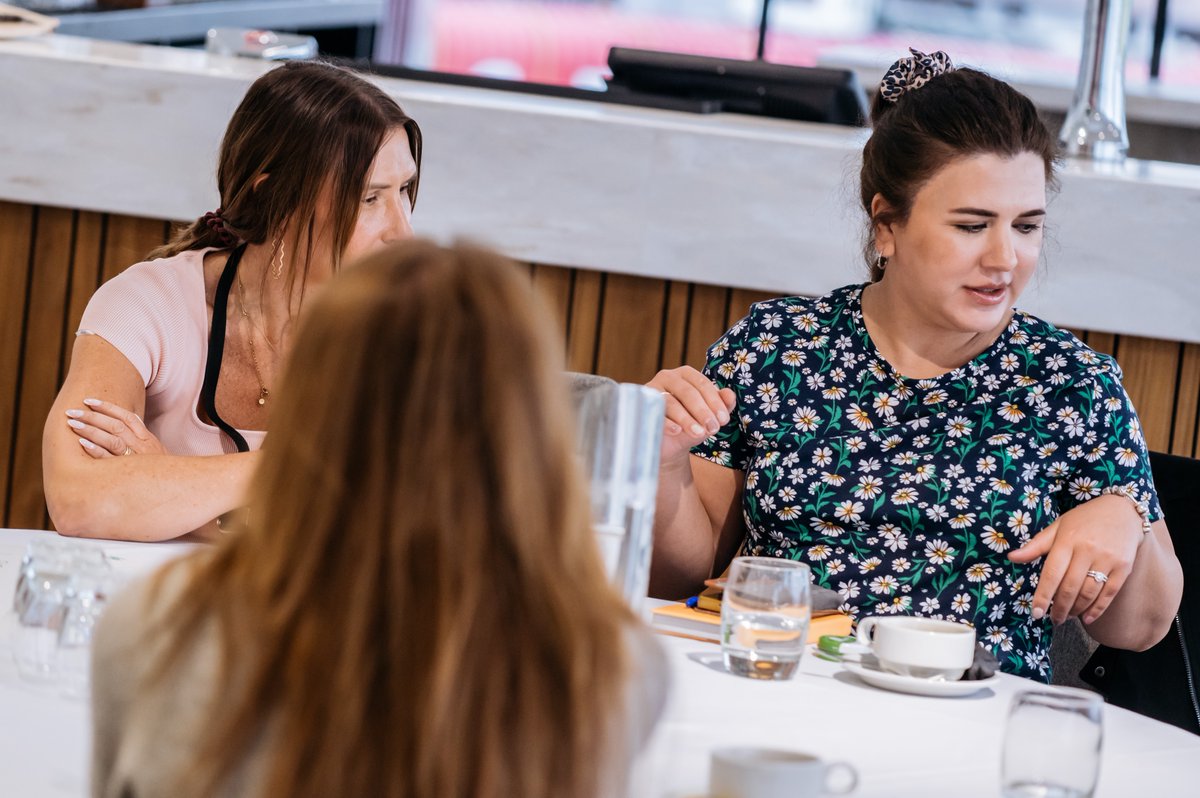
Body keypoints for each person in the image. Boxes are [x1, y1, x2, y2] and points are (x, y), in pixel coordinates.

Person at [648, 49, 1183, 681]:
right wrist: (662, 460)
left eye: (1027, 226)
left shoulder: (1073, 383)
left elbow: (1141, 630)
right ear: (886, 226)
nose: (1005, 259)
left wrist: (1128, 517)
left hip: (976, 724)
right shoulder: (777, 346)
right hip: (784, 689)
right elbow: (675, 577)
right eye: (971, 225)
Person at [90, 240, 668, 798]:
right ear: (530, 429)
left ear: (311, 400)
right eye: (372, 198)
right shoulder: (614, 670)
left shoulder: (155, 631)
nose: (398, 223)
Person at [43, 60, 422, 541]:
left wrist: (170, 484)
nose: (403, 232)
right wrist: (285, 477)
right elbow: (78, 500)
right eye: (371, 199)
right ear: (276, 199)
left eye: (405, 190)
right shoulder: (147, 303)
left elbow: (386, 544)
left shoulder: (412, 334)